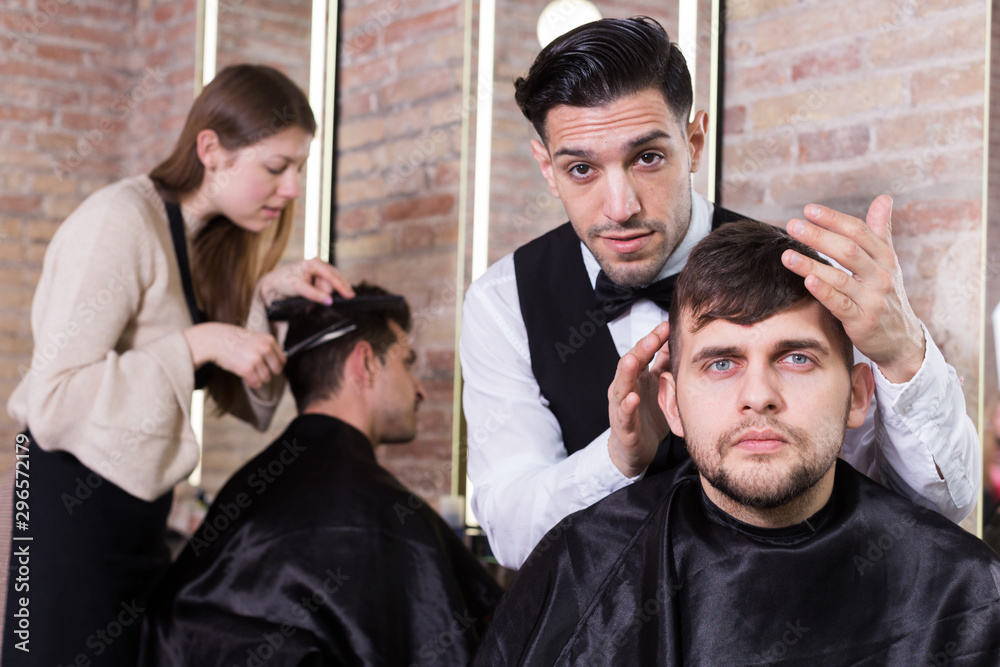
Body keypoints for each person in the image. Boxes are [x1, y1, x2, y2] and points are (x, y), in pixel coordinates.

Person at [460, 16, 980, 569]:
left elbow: (936, 508)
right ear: (547, 167)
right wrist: (616, 460)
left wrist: (903, 355)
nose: (620, 208)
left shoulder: (799, 275)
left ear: (694, 141)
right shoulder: (502, 302)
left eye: (647, 158)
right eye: (582, 168)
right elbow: (512, 538)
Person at [472, 221, 1000, 666]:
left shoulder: (966, 592)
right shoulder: (579, 571)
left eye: (797, 358)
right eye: (722, 363)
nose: (758, 397)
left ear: (860, 396)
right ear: (671, 405)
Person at [3, 64, 354, 665]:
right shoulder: (119, 221)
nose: (293, 188)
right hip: (67, 516)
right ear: (211, 150)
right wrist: (200, 343)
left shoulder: (210, 246)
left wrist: (266, 303)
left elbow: (253, 405)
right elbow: (53, 399)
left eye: (298, 169)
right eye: (277, 167)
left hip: (140, 518)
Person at [140, 284, 502, 666]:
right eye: (407, 362)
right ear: (365, 363)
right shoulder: (390, 515)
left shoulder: (245, 491)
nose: (419, 389)